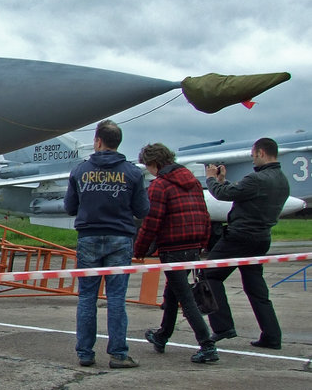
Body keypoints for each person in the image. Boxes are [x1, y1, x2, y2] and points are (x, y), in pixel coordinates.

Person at [63, 119, 149, 368]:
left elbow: (70, 207)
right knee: (116, 297)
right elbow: (142, 209)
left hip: (88, 237)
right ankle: (118, 354)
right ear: (117, 142)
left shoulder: (80, 171)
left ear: (97, 141)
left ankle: (85, 353)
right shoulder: (132, 172)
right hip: (120, 238)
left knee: (87, 297)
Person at [132, 143, 217, 363]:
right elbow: (205, 214)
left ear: (154, 164)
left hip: (173, 249)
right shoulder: (193, 181)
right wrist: (203, 243)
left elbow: (151, 222)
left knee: (186, 299)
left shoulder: (160, 186)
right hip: (193, 246)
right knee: (172, 294)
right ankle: (162, 336)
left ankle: (207, 345)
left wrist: (139, 250)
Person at [203, 137, 290, 349]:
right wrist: (223, 181)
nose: (252, 159)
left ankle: (223, 326)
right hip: (261, 239)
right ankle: (272, 336)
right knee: (256, 289)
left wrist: (212, 179)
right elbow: (243, 194)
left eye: (253, 155)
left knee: (209, 275)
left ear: (260, 153)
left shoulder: (256, 179)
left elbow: (223, 195)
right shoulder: (282, 180)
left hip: (239, 238)